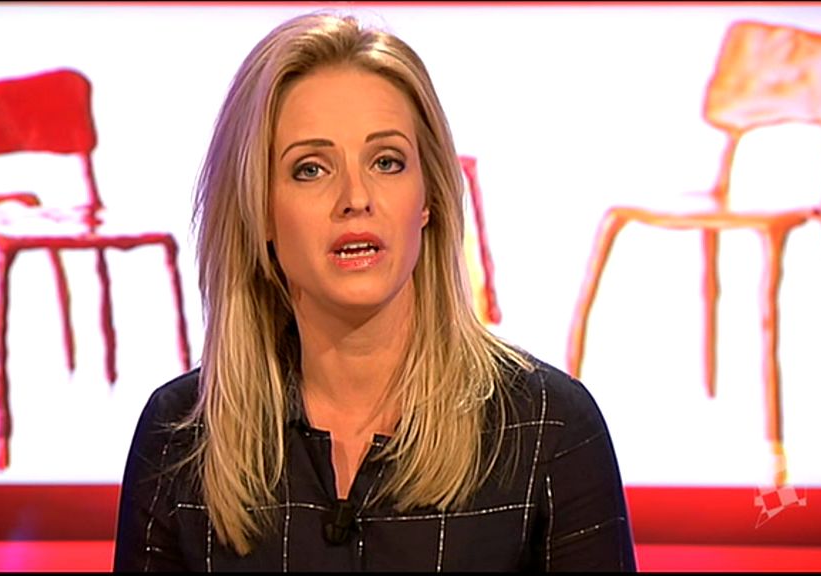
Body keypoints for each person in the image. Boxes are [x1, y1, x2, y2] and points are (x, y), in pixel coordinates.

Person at [114, 11, 636, 572]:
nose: (356, 198)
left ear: (428, 197)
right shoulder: (180, 438)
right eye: (311, 169)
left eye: (387, 162)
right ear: (258, 209)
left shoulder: (548, 428)